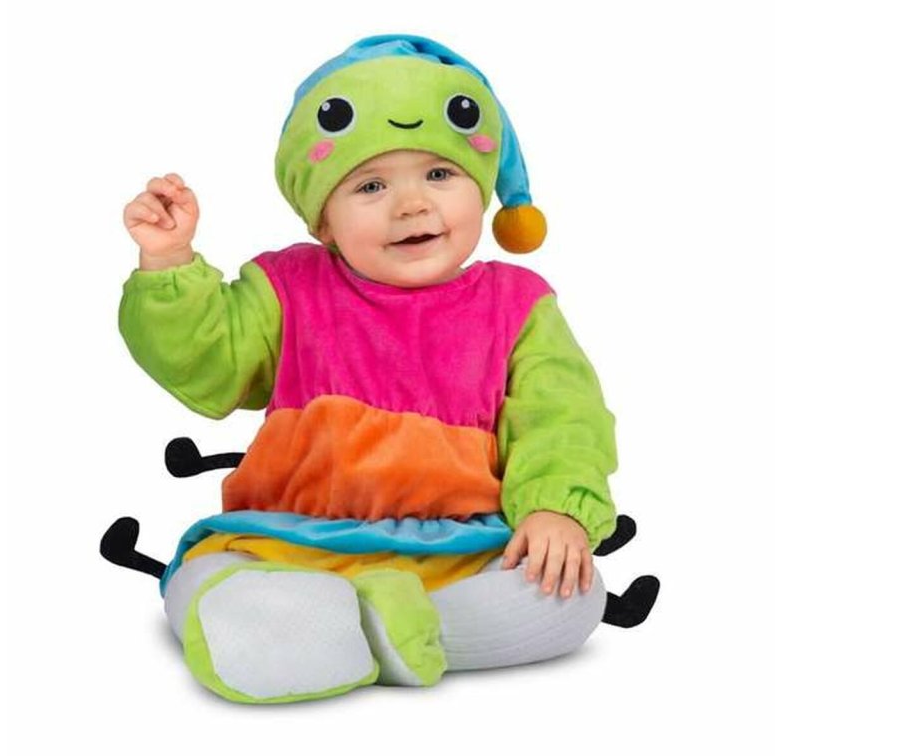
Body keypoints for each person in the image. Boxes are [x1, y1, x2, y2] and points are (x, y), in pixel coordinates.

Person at [118, 35, 619, 704]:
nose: (411, 205)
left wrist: (558, 510)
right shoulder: (289, 287)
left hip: (460, 547)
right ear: (323, 221)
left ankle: (351, 633)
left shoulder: (518, 304)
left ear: (481, 189)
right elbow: (208, 360)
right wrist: (169, 263)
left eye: (439, 175)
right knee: (198, 583)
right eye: (371, 185)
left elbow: (563, 418)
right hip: (291, 541)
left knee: (572, 596)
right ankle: (363, 627)